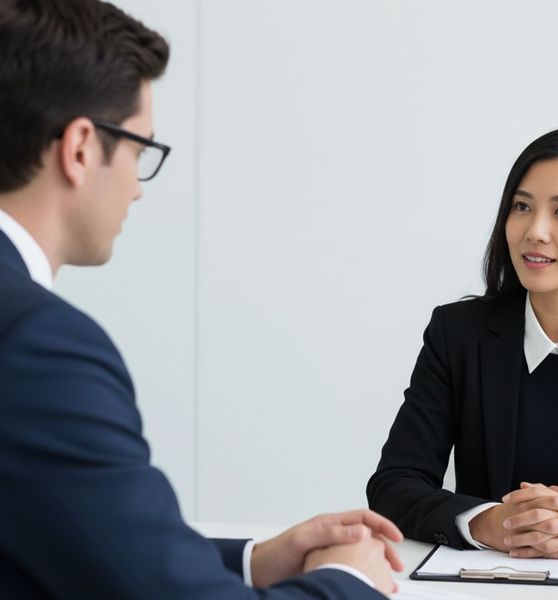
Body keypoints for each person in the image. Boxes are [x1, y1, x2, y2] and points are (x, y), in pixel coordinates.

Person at [0, 1, 403, 597]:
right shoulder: (40, 344)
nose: (138, 187)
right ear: (82, 147)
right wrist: (348, 581)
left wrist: (253, 560)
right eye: (141, 150)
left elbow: (51, 533)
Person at [368, 126, 558, 561]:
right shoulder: (458, 333)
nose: (535, 231)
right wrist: (487, 521)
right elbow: (393, 484)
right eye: (522, 206)